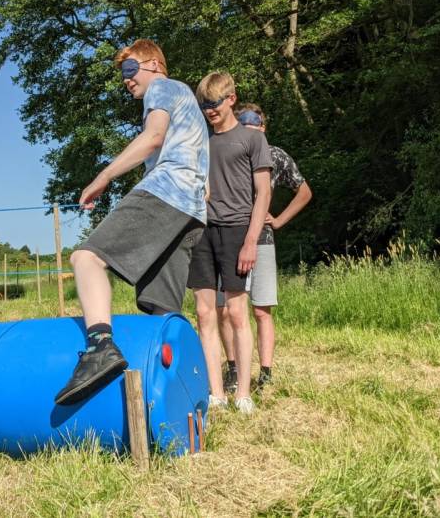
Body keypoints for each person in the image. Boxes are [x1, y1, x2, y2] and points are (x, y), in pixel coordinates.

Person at [55, 39, 209, 405]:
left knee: (86, 258)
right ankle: (178, 399)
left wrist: (103, 177)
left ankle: (100, 348)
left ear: (154, 63)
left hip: (166, 192)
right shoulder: (188, 102)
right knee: (162, 311)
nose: (126, 79)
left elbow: (153, 138)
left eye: (130, 68)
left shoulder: (162, 87)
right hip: (191, 211)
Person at [187, 73, 272, 414]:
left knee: (237, 313)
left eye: (214, 103)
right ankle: (217, 394)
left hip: (237, 230)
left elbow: (263, 194)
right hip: (202, 231)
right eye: (204, 105)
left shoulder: (252, 139)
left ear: (231, 99)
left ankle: (244, 394)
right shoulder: (200, 141)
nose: (209, 110)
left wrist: (251, 241)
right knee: (204, 313)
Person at [219, 103, 312, 394]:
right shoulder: (227, 151)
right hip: (228, 237)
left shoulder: (275, 155)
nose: (251, 130)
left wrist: (279, 220)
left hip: (262, 240)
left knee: (261, 311)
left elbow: (304, 191)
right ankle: (234, 370)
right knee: (227, 311)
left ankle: (266, 375)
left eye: (255, 125)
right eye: (245, 125)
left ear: (263, 127)